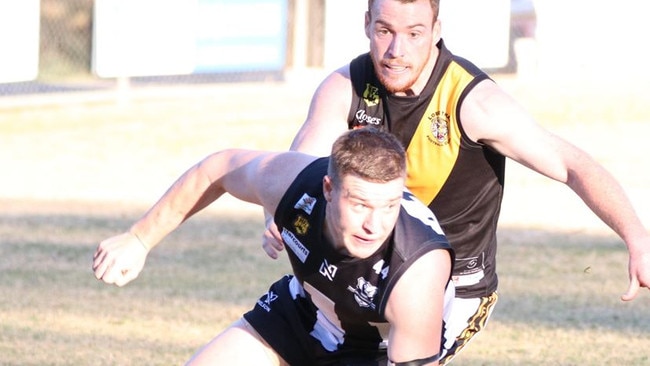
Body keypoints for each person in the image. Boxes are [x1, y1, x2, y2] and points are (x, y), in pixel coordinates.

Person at [260, 0, 650, 364]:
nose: (397, 50)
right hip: (364, 271)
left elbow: (571, 165)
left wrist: (638, 239)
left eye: (414, 33)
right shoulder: (344, 86)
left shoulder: (473, 102)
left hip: (456, 287)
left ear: (436, 30)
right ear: (367, 25)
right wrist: (277, 213)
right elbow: (302, 168)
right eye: (384, 31)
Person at [93, 127, 457, 365]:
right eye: (360, 204)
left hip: (375, 350)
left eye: (389, 206)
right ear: (328, 189)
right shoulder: (296, 185)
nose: (374, 224)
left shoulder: (416, 272)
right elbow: (216, 169)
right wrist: (140, 238)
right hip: (305, 309)